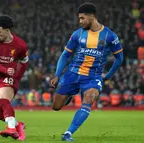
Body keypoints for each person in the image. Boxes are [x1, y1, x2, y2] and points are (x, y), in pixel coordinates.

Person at [49, 2, 123, 141]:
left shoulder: (110, 36)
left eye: (82, 18)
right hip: (72, 74)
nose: (80, 21)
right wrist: (57, 75)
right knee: (56, 107)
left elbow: (119, 58)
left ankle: (68, 133)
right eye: (79, 18)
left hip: (92, 77)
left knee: (88, 100)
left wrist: (108, 76)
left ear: (92, 16)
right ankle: (69, 96)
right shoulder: (77, 34)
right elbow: (65, 55)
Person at [0, 15, 29, 140]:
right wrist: (6, 70)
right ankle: (17, 124)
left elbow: (24, 63)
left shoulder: (20, 45)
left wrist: (16, 78)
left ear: (7, 30)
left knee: (3, 100)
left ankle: (11, 129)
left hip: (8, 78)